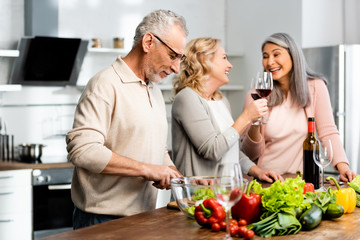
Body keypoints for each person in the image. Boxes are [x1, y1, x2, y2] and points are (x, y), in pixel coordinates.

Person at [66, 10, 188, 229]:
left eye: (181, 59)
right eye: (173, 56)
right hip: (102, 220)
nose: (176, 68)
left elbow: (156, 150)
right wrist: (147, 169)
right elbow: (83, 150)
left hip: (143, 216)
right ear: (149, 42)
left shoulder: (154, 90)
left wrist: (174, 175)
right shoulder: (105, 84)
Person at [241, 32, 356, 182]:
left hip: (302, 181)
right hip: (267, 180)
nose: (270, 62)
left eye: (276, 54)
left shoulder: (315, 87)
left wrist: (343, 167)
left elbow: (328, 132)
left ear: (293, 56)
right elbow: (248, 154)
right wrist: (255, 124)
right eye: (265, 56)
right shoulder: (255, 95)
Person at [171, 37, 283, 183]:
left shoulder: (221, 100)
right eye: (224, 58)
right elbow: (212, 150)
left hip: (226, 194)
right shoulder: (187, 98)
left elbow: (231, 150)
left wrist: (258, 172)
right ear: (205, 61)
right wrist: (246, 118)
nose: (230, 65)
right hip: (197, 198)